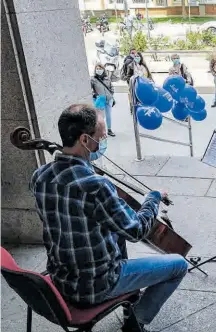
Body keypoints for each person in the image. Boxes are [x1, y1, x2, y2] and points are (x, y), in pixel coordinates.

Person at [29, 104, 188, 332]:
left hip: (61, 279)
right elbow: (136, 231)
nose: (102, 141)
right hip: (97, 285)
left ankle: (130, 301)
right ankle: (136, 320)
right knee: (179, 265)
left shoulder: (40, 176)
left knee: (115, 236)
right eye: (101, 136)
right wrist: (152, 199)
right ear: (85, 140)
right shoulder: (96, 185)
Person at [90, 63, 115, 137]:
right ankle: (100, 131)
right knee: (100, 117)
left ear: (103, 70)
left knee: (108, 115)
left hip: (108, 99)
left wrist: (111, 94)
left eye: (100, 68)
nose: (99, 70)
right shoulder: (93, 79)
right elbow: (90, 89)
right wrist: (95, 95)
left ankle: (109, 130)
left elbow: (111, 87)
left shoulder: (107, 78)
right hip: (100, 100)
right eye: (97, 69)